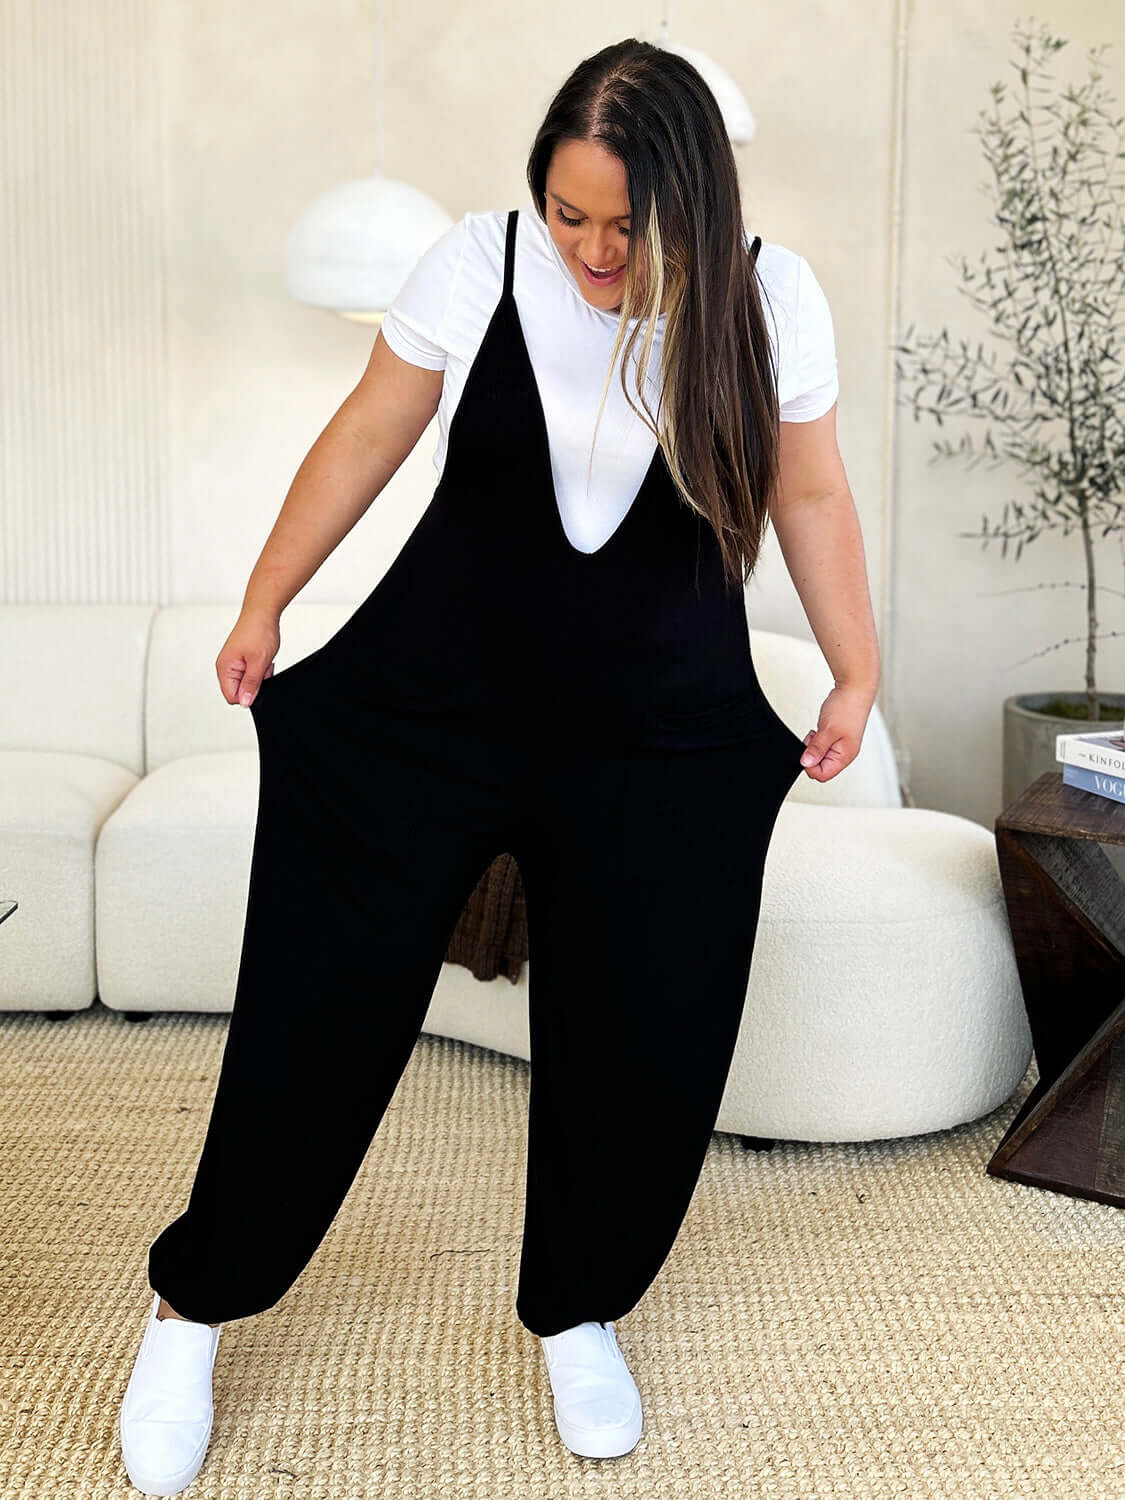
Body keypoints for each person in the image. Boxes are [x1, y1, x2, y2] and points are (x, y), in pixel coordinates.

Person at [119, 35, 879, 1497]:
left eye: (624, 225)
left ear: (697, 210)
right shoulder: (478, 261)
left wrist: (854, 667)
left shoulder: (767, 297)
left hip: (656, 724)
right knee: (316, 1007)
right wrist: (267, 600)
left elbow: (811, 488)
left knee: (643, 1032)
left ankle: (577, 1305)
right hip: (431, 701)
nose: (592, 251)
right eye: (567, 213)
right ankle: (191, 1306)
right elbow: (368, 432)